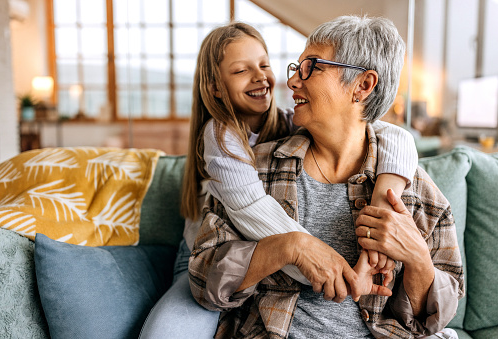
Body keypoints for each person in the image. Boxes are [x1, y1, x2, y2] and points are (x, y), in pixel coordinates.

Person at [188, 16, 464, 338]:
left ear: (363, 85)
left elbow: (432, 319)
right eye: (296, 67)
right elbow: (202, 279)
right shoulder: (253, 169)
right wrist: (287, 247)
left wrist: (417, 258)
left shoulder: (413, 187)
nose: (291, 82)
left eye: (311, 67)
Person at [140, 21, 418, 338]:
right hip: (202, 256)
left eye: (264, 64)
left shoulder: (290, 122)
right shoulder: (221, 140)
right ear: (216, 87)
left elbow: (393, 135)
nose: (261, 77)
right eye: (241, 70)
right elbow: (254, 213)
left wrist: (383, 202)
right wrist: (315, 259)